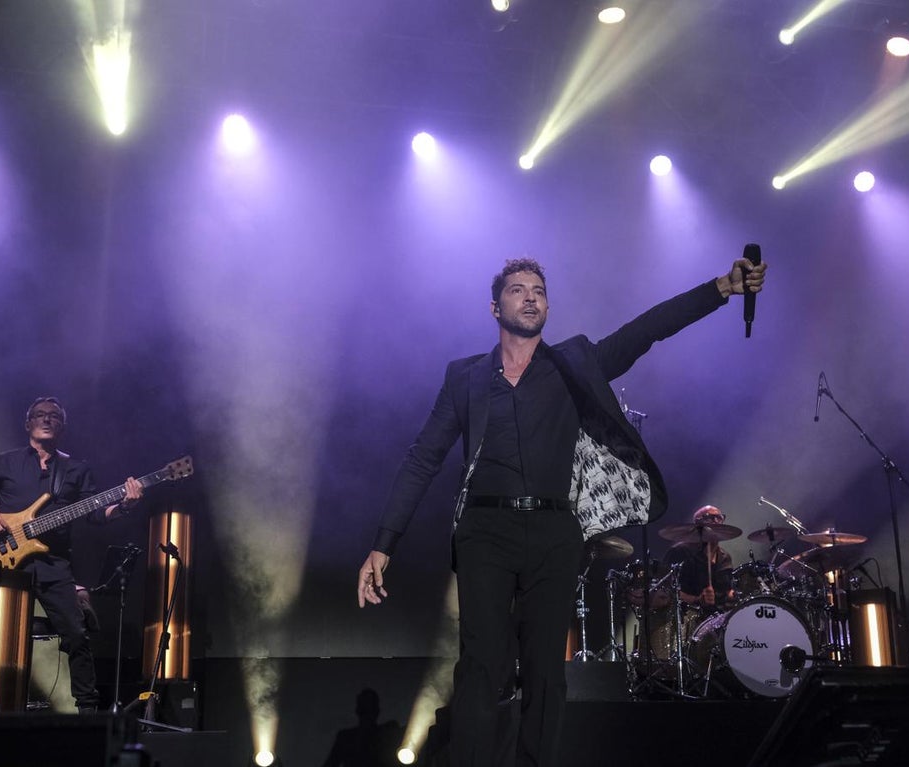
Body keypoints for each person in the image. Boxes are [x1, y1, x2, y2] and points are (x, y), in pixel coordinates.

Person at [357, 255, 766, 766]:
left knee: (546, 670)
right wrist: (383, 543)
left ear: (547, 305)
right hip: (484, 531)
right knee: (483, 664)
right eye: (517, 289)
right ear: (495, 306)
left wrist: (721, 289)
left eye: (538, 290)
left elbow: (648, 330)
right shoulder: (464, 377)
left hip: (555, 531)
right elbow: (423, 457)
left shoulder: (573, 363)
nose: (530, 296)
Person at [0, 396, 144, 713]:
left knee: (77, 636)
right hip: (4, 560)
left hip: (54, 565)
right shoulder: (5, 462)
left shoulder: (75, 468)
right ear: (28, 424)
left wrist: (125, 505)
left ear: (62, 426)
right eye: (39, 415)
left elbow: (94, 513)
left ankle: (88, 711)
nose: (46, 419)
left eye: (53, 416)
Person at [663, 505, 736, 610]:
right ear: (697, 523)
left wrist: (734, 594)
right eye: (709, 517)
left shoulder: (725, 558)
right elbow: (665, 589)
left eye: (719, 517)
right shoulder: (680, 552)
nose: (716, 521)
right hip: (687, 616)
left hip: (718, 618)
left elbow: (728, 590)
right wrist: (696, 600)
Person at [320, 687, 405, 767]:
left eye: (370, 707)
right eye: (365, 707)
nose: (367, 712)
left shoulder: (386, 733)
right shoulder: (345, 737)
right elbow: (331, 763)